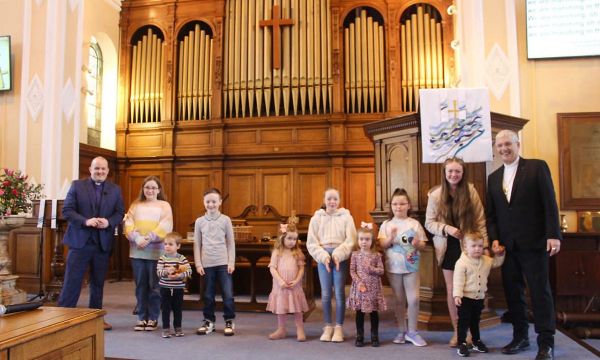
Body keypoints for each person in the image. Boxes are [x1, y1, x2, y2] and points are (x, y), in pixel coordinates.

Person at [486, 130, 561, 360]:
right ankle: (521, 337)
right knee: (513, 294)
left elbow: (550, 203)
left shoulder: (537, 167)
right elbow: (492, 215)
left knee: (540, 293)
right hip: (508, 247)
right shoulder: (494, 177)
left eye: (508, 144)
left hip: (534, 242)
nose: (503, 149)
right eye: (499, 146)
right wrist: (494, 238)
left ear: (518, 144)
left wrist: (553, 234)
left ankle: (546, 343)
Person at [425, 156, 488, 346]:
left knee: (470, 291)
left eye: (457, 171)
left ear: (463, 173)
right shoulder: (436, 195)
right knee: (454, 290)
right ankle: (458, 333)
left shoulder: (471, 191)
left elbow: (480, 220)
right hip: (448, 247)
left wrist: (484, 247)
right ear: (444, 173)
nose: (453, 174)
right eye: (450, 171)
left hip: (469, 246)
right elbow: (429, 223)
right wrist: (447, 228)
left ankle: (469, 331)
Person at [58, 156, 125, 331]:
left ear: (108, 171)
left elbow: (119, 213)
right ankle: (63, 319)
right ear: (90, 170)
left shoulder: (115, 189)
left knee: (98, 283)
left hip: (102, 243)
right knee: (72, 281)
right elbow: (67, 211)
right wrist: (86, 221)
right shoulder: (77, 186)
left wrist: (109, 222)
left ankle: (96, 319)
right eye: (97, 169)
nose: (100, 172)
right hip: (80, 242)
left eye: (103, 169)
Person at [378, 188, 428, 347]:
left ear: (408, 205)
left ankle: (413, 332)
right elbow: (382, 244)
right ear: (391, 206)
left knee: (413, 299)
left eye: (402, 204)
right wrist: (391, 238)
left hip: (411, 266)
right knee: (399, 300)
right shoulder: (386, 224)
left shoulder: (414, 224)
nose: (398, 207)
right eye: (395, 204)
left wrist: (417, 243)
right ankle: (401, 330)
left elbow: (423, 244)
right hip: (393, 267)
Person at [307, 188, 356, 342]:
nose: (332, 202)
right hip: (324, 257)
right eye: (329, 199)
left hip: (340, 257)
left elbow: (351, 240)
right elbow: (311, 242)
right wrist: (323, 256)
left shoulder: (347, 217)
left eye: (335, 198)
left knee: (340, 293)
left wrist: (338, 254)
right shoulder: (316, 218)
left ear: (339, 200)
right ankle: (328, 326)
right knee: (326, 293)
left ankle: (339, 327)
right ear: (324, 200)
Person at [124, 175, 173, 331]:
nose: (150, 190)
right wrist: (137, 238)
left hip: (155, 253)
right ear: (143, 189)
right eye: (147, 187)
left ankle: (152, 318)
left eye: (153, 187)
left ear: (158, 190)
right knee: (140, 285)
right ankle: (141, 317)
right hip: (137, 252)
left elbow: (166, 226)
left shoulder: (164, 205)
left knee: (155, 286)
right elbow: (128, 224)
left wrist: (149, 238)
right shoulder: (136, 204)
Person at [453, 232, 505, 357]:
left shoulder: (486, 260)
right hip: (465, 298)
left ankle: (476, 341)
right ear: (465, 247)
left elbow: (496, 263)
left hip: (479, 298)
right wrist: (457, 295)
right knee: (463, 321)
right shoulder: (461, 263)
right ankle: (462, 343)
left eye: (480, 246)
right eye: (473, 246)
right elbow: (458, 280)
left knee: (475, 321)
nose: (477, 249)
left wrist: (500, 254)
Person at [193, 188, 236, 336]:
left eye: (214, 201)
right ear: (204, 202)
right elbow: (197, 244)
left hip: (223, 263)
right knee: (208, 295)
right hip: (206, 264)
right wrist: (198, 263)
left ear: (220, 202)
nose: (211, 204)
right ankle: (208, 321)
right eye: (207, 202)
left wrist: (231, 262)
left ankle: (229, 320)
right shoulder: (199, 221)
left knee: (228, 294)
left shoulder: (226, 220)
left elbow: (231, 243)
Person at [266, 221, 309, 341]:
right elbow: (272, 268)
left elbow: (301, 268)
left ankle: (300, 328)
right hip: (281, 285)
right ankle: (281, 329)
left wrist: (296, 280)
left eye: (294, 239)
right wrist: (280, 281)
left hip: (294, 285)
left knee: (297, 308)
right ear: (282, 238)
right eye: (289, 238)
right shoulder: (277, 252)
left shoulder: (297, 252)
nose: (292, 241)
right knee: (281, 307)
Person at [347, 223, 386, 347]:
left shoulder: (377, 255)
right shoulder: (355, 255)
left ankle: (374, 335)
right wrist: (359, 283)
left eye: (367, 239)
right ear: (358, 240)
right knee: (360, 313)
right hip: (360, 288)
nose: (364, 242)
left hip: (373, 288)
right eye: (361, 239)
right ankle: (360, 336)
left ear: (372, 241)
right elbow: (352, 271)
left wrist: (371, 269)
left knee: (374, 312)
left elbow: (381, 271)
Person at [157, 232, 192, 338]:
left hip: (178, 288)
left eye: (170, 244)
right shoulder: (162, 258)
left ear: (178, 246)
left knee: (178, 309)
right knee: (166, 310)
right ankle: (166, 329)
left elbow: (189, 271)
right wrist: (167, 272)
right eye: (165, 244)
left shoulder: (181, 259)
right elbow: (158, 273)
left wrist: (179, 275)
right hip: (165, 288)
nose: (167, 246)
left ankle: (178, 328)